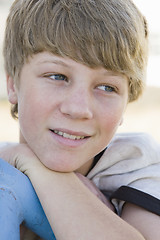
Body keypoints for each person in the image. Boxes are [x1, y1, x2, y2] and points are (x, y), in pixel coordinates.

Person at [1, 0, 160, 239]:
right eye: (57, 76)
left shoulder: (135, 163)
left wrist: (37, 168)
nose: (79, 108)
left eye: (107, 87)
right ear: (13, 85)